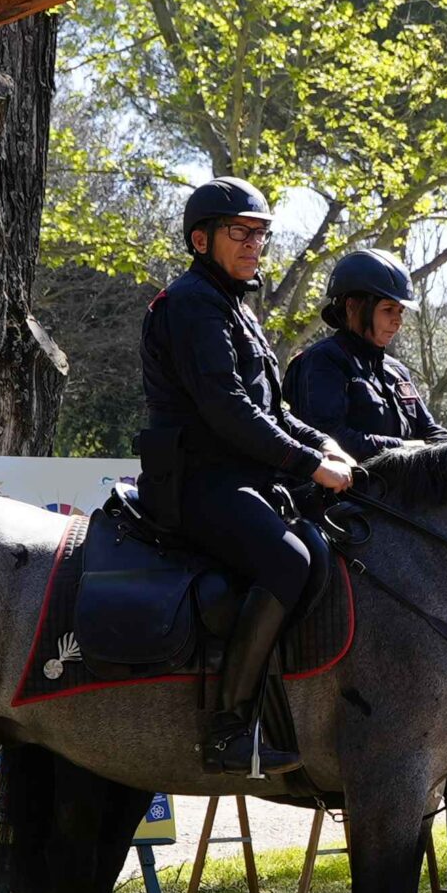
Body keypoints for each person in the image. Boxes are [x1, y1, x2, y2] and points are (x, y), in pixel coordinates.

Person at [138, 178, 355, 775]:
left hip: (242, 477)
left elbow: (274, 410)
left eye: (260, 233)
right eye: (241, 232)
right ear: (200, 238)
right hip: (196, 481)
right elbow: (226, 408)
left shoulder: (236, 305)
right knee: (288, 560)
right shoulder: (191, 303)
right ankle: (229, 727)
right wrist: (309, 463)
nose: (254, 244)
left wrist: (326, 444)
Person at [284, 247, 447, 460]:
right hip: (346, 489)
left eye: (401, 311)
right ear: (352, 307)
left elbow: (429, 431)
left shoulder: (396, 370)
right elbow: (328, 436)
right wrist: (405, 447)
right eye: (388, 310)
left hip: (403, 488)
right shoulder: (323, 359)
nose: (398, 321)